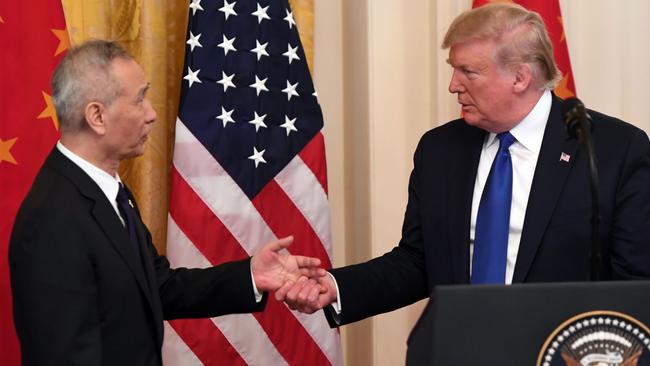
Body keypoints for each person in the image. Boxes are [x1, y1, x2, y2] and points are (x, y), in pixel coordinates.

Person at [276, 3, 650, 327]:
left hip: (560, 351)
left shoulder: (611, 151)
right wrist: (335, 287)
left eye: (468, 72)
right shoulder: (440, 150)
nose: (454, 86)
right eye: (453, 69)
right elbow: (417, 262)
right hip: (460, 348)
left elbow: (635, 282)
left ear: (520, 77)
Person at [9, 39, 325, 365]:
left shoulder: (107, 191)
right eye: (140, 99)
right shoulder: (53, 221)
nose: (152, 114)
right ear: (97, 116)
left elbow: (157, 287)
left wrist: (251, 276)